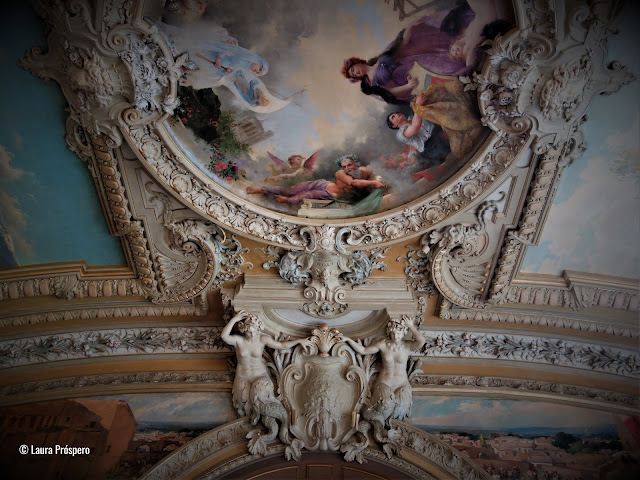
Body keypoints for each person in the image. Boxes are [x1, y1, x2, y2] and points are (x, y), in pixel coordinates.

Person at [221, 310, 310, 417]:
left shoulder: (263, 339)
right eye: (249, 322)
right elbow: (224, 336)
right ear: (243, 326)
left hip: (260, 375)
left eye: (254, 322)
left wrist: (298, 341)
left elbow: (281, 346)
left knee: (261, 399)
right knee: (243, 404)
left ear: (259, 327)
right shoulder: (239, 340)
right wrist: (234, 319)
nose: (252, 322)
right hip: (242, 376)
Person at [246, 154, 384, 205]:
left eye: (350, 165)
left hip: (332, 194)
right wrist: (373, 182)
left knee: (306, 195)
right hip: (324, 185)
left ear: (356, 163)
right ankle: (262, 189)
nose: (347, 168)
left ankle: (287, 200)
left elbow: (366, 176)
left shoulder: (363, 171)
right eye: (345, 166)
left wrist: (374, 180)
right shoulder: (341, 173)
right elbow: (353, 183)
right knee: (291, 189)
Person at [386, 111, 451, 174]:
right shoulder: (401, 133)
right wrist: (418, 108)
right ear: (394, 125)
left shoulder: (412, 117)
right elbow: (415, 126)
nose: (396, 114)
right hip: (430, 147)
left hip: (437, 133)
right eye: (393, 117)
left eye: (396, 113)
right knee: (451, 153)